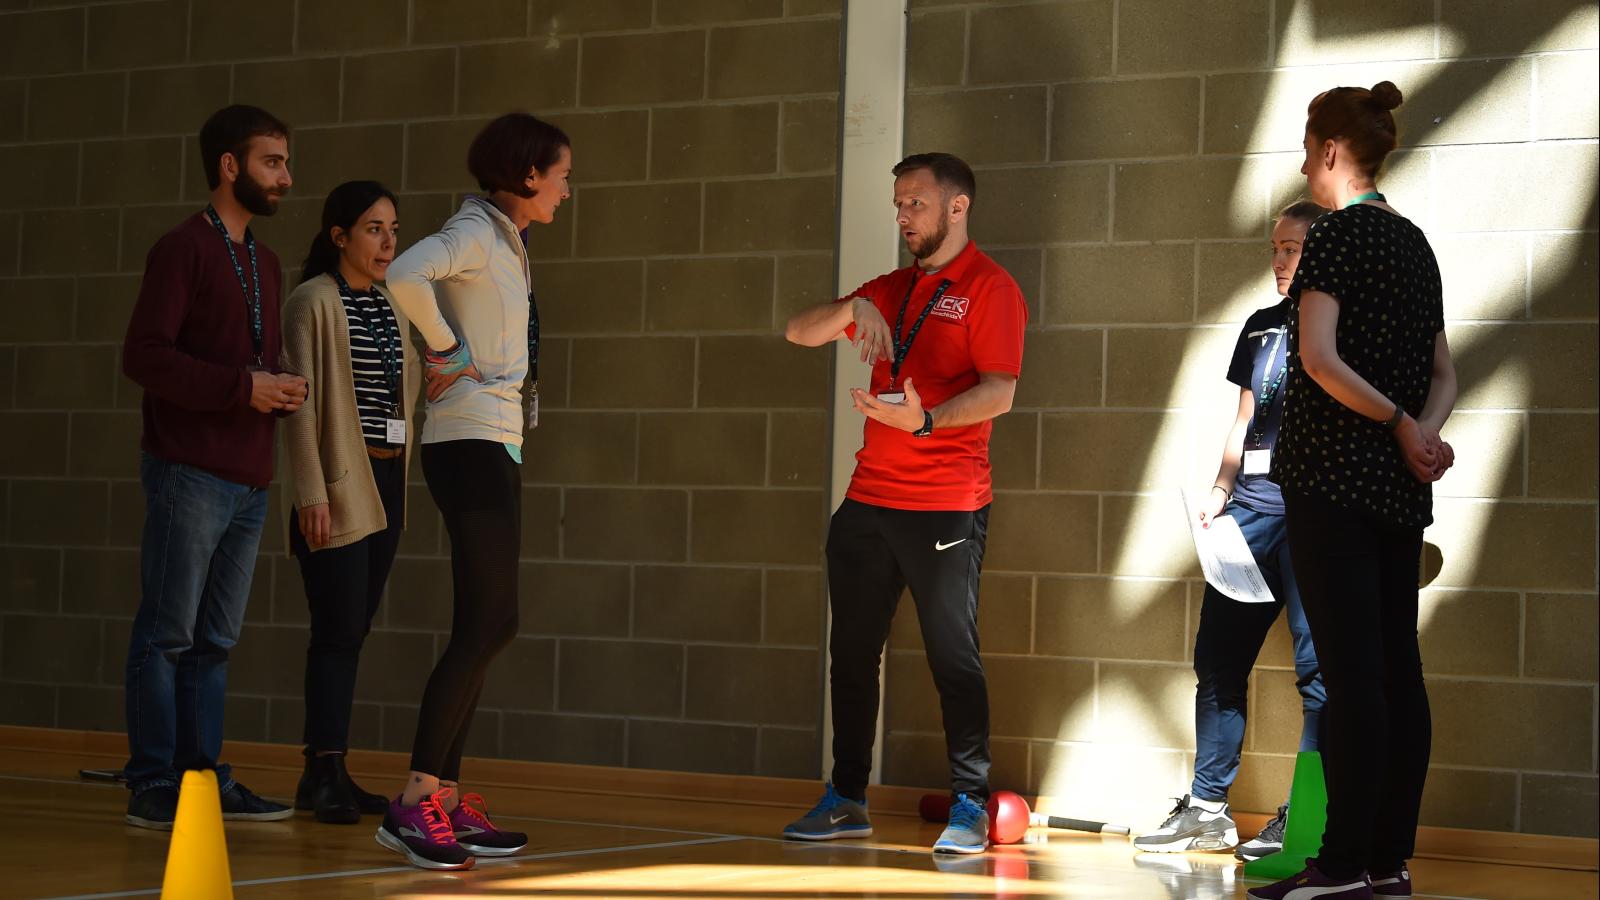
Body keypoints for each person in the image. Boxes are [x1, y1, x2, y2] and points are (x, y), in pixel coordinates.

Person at [781, 152, 1027, 855]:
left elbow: (998, 392)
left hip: (947, 505)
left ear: (957, 207)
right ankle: (848, 797)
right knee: (851, 655)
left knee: (953, 657)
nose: (901, 216)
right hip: (867, 505)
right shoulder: (887, 290)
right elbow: (799, 331)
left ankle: (971, 804)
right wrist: (851, 308)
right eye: (897, 204)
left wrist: (924, 420)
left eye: (914, 203)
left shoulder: (990, 288)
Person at [1249, 82, 1457, 900]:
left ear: (1331, 150)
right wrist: (1423, 432)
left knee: (1353, 677)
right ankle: (1384, 860)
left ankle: (1340, 866)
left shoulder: (1335, 237)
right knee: (1396, 672)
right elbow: (1445, 373)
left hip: (1334, 484)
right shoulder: (1416, 244)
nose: (1305, 166)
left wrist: (1404, 424)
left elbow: (1321, 360)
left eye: (1307, 151)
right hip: (1398, 494)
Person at [376, 112, 571, 870]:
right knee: (490, 619)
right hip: (467, 441)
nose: (565, 188)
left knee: (492, 620)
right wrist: (447, 347)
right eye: (560, 173)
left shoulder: (505, 238)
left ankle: (446, 799)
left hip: (494, 442)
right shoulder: (476, 232)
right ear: (527, 174)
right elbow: (404, 272)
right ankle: (414, 799)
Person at [119, 104, 306, 830]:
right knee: (167, 633)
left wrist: (276, 387)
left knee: (215, 642)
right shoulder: (181, 249)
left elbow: (242, 363)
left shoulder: (263, 259)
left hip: (249, 477)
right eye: (272, 162)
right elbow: (144, 356)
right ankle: (151, 781)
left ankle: (202, 778)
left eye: (286, 163)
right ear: (230, 167)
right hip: (188, 473)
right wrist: (242, 387)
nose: (286, 177)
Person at [1133, 201, 1330, 859]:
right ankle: (1208, 809)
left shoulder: (1343, 332)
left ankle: (1307, 817)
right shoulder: (1261, 327)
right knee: (1217, 663)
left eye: (1293, 249)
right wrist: (1220, 492)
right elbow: (1245, 420)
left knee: (1318, 674)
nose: (1279, 261)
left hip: (1314, 522)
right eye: (1274, 248)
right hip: (1249, 516)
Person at [281, 181, 418, 825]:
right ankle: (322, 769)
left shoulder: (391, 303)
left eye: (393, 228)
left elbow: (405, 386)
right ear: (340, 236)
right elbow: (300, 403)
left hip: (388, 480)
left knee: (353, 631)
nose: (389, 241)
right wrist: (310, 492)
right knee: (335, 632)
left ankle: (331, 768)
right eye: (373, 229)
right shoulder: (313, 300)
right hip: (338, 483)